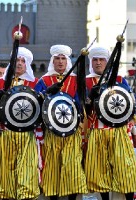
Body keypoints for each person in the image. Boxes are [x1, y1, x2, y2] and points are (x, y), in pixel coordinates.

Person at [84, 46, 136, 200]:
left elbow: (131, 104)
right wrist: (89, 98)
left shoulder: (120, 80)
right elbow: (82, 108)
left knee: (125, 169)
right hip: (96, 131)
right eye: (95, 59)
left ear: (107, 62)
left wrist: (132, 129)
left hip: (118, 131)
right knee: (99, 172)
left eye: (101, 59)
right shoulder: (85, 81)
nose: (98, 63)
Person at [34, 45, 88, 200]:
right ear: (52, 60)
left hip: (72, 132)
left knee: (72, 167)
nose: (60, 61)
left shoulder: (76, 80)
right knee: (53, 168)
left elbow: (80, 103)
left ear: (68, 61)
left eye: (63, 58)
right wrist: (46, 92)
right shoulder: (44, 80)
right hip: (51, 132)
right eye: (57, 58)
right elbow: (36, 102)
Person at [0, 47, 41, 200]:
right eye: (17, 60)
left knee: (26, 176)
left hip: (27, 136)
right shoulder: (0, 82)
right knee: (5, 176)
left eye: (22, 61)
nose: (19, 64)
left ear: (27, 65)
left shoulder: (36, 83)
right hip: (5, 134)